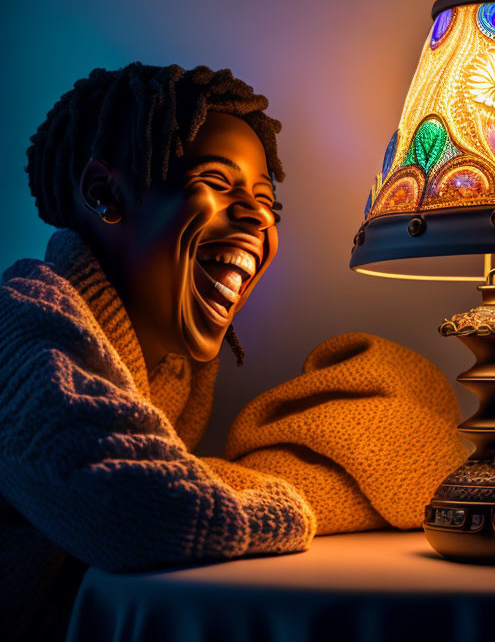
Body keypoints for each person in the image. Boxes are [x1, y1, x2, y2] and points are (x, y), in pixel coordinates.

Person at [0, 63, 466, 640]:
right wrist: (286, 505)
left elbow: (174, 482)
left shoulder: (172, 371)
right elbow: (137, 509)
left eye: (268, 200)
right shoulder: (20, 323)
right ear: (104, 194)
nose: (257, 215)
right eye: (219, 183)